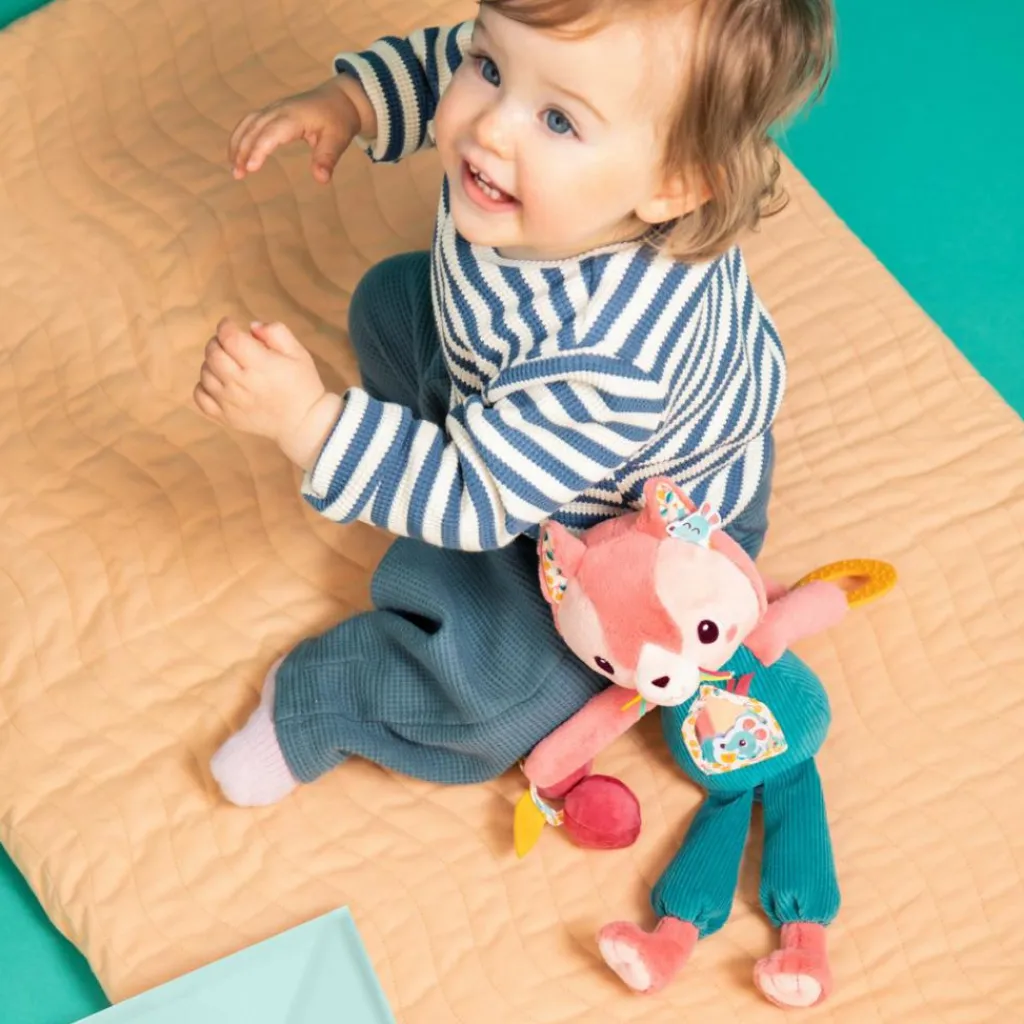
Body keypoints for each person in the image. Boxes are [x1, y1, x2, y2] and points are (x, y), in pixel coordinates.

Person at [195, 0, 834, 806]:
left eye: (559, 121)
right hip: (508, 388)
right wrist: (351, 102)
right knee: (386, 305)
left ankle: (322, 703)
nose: (489, 128)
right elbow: (450, 58)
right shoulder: (524, 137)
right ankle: (417, 461)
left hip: (622, 525)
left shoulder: (614, 357)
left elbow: (478, 497)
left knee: (495, 702)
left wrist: (308, 425)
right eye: (492, 67)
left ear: (672, 186)